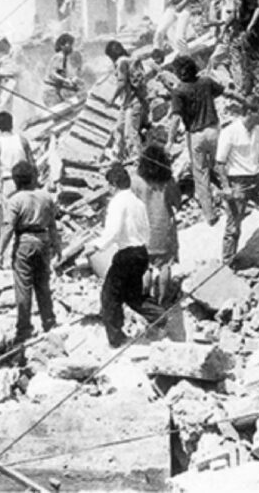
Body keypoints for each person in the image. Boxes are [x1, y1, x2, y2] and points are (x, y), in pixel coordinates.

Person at [85, 164, 165, 347]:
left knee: (109, 297)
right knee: (133, 296)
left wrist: (96, 246)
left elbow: (112, 231)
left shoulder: (117, 202)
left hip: (127, 254)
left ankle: (116, 339)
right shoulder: (138, 203)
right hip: (141, 252)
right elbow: (146, 230)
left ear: (114, 185)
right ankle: (160, 316)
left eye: (109, 185)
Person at [0, 161, 60, 343]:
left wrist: (0, 251)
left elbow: (8, 227)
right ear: (33, 177)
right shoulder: (46, 197)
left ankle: (24, 328)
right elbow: (52, 225)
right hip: (43, 241)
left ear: (16, 181)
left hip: (24, 242)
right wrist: (57, 247)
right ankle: (49, 321)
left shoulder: (15, 200)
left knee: (23, 287)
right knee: (43, 284)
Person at [215, 96, 259, 268]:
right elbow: (220, 163)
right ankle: (228, 262)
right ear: (249, 112)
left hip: (256, 179)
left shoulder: (257, 130)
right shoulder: (230, 132)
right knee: (233, 226)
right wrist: (226, 187)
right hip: (238, 182)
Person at [168, 55, 225, 225]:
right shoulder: (206, 82)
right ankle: (235, 203)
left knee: (201, 175)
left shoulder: (179, 91)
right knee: (222, 168)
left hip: (196, 136)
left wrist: (170, 141)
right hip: (214, 130)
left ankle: (210, 214)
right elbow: (222, 91)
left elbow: (176, 119)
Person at [132, 144, 182, 306]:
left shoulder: (136, 181)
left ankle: (144, 298)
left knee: (145, 267)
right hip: (164, 229)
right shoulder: (168, 182)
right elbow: (177, 202)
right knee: (165, 266)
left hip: (143, 230)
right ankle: (162, 301)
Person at [222, 0, 259, 97]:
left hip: (248, 32)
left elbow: (258, 9)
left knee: (252, 62)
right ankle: (247, 90)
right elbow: (236, 14)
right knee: (245, 61)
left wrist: (250, 25)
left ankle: (256, 92)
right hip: (243, 31)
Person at [107, 40, 148, 160]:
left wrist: (112, 99)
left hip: (133, 103)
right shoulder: (132, 59)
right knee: (119, 128)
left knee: (130, 133)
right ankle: (120, 156)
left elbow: (122, 82)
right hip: (129, 102)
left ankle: (138, 159)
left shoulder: (121, 62)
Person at [0, 111, 35, 207]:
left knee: (11, 210)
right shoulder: (22, 140)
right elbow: (32, 164)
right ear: (12, 123)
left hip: (9, 182)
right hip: (26, 181)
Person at [43, 33, 84, 107]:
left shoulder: (66, 58)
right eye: (70, 44)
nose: (72, 47)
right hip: (51, 94)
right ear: (62, 46)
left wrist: (74, 80)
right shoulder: (59, 57)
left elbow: (63, 74)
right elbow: (52, 74)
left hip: (58, 93)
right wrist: (65, 80)